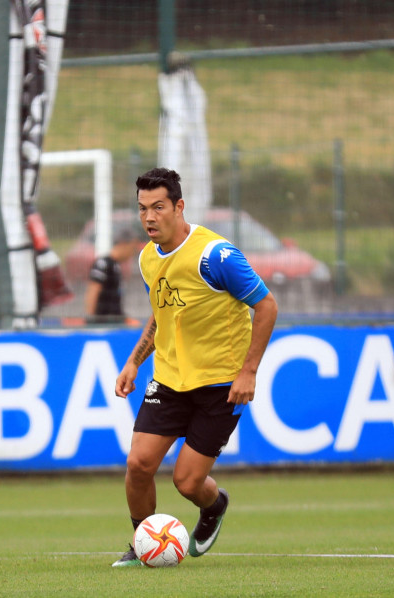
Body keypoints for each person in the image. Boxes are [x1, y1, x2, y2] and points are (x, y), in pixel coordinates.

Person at [111, 168, 278, 567]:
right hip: (169, 380)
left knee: (186, 481)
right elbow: (160, 313)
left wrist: (248, 371)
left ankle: (215, 504)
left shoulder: (215, 256)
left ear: (178, 206)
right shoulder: (148, 258)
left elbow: (267, 306)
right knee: (138, 465)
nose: (149, 218)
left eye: (158, 207)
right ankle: (143, 542)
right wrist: (134, 361)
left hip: (220, 385)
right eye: (142, 209)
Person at [83, 227, 143, 323]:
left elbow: (114, 302)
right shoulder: (103, 263)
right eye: (133, 248)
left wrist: (125, 320)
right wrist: (90, 321)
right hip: (103, 323)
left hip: (113, 322)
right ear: (123, 244)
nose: (133, 253)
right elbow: (93, 290)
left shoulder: (116, 266)